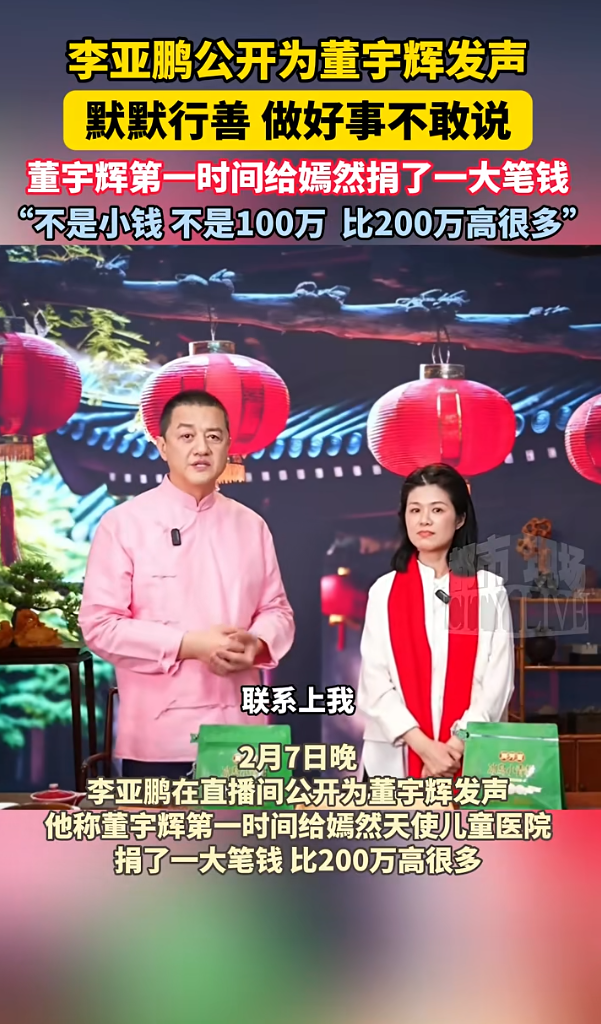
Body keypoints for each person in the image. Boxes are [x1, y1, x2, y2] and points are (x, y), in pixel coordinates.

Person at [79, 389, 295, 779]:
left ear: (228, 445)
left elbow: (276, 610)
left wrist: (258, 643)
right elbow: (100, 625)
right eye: (186, 435)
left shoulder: (252, 525)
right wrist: (190, 644)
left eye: (214, 436)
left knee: (247, 822)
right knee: (165, 823)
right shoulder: (124, 524)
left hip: (243, 734)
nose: (202, 448)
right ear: (162, 446)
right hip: (159, 737)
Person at [357, 463, 514, 780]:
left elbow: (497, 683)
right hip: (396, 758)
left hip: (469, 756)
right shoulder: (384, 591)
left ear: (460, 518)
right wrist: (426, 748)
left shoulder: (489, 589)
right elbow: (374, 682)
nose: (424, 520)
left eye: (437, 509)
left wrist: (454, 748)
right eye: (414, 510)